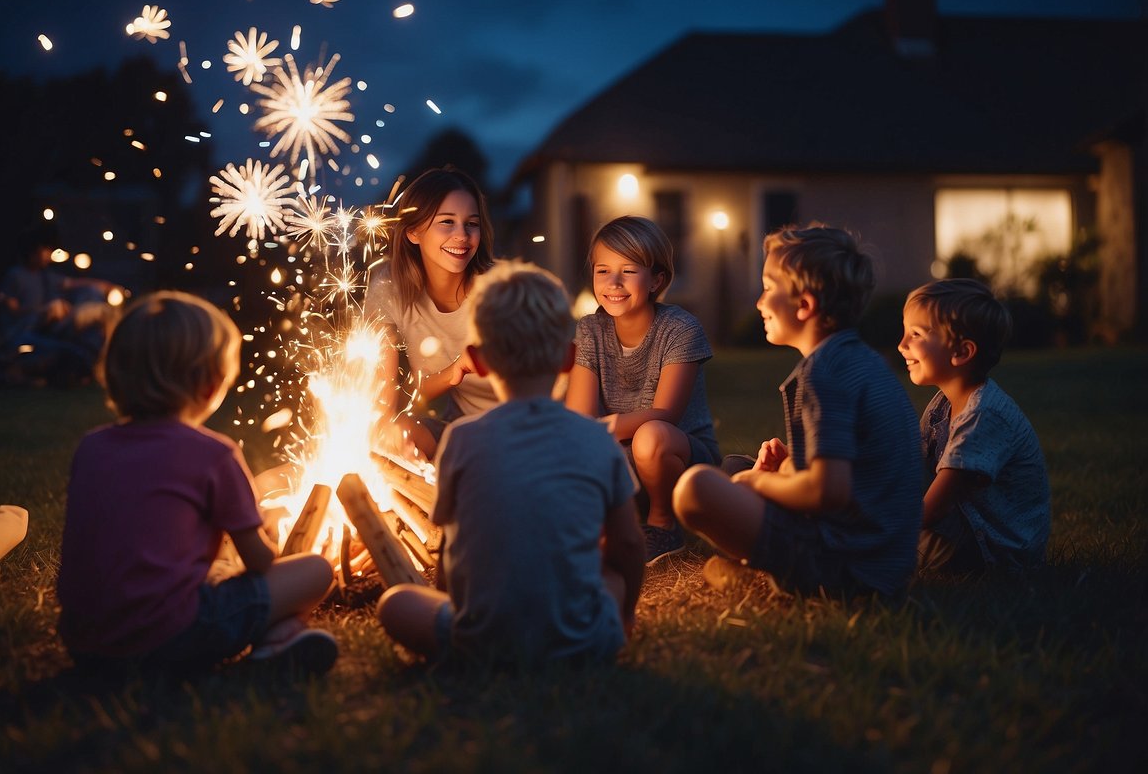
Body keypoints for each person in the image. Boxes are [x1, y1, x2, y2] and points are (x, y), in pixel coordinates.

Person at [377, 261, 645, 668]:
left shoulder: (461, 439)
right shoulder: (597, 439)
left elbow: (451, 542)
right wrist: (624, 615)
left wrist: (451, 604)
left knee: (397, 605)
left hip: (483, 641)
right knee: (608, 576)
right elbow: (627, 542)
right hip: (582, 639)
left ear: (479, 361)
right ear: (568, 358)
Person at [57, 291, 338, 679]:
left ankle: (278, 639)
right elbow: (260, 562)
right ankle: (275, 641)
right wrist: (268, 528)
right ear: (211, 386)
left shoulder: (91, 447)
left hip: (86, 645)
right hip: (171, 637)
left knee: (219, 570)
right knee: (315, 571)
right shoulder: (214, 454)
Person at [673, 225, 922, 599]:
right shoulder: (860, 361)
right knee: (735, 468)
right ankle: (760, 562)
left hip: (850, 566)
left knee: (695, 489)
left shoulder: (825, 374)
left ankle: (769, 575)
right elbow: (850, 475)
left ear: (804, 305)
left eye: (769, 288)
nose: (759, 302)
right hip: (883, 558)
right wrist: (788, 468)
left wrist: (758, 484)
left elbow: (827, 492)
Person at [565, 216, 720, 565]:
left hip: (679, 460)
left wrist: (598, 430)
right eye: (603, 270)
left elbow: (665, 415)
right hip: (616, 458)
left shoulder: (679, 329)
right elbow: (578, 417)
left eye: (629, 271)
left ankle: (663, 525)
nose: (613, 283)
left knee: (650, 436)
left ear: (657, 279)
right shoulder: (590, 329)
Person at [898, 278, 1050, 575]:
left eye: (914, 334)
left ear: (962, 352)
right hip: (962, 530)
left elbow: (934, 508)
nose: (901, 345)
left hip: (995, 551)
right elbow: (906, 471)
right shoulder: (942, 405)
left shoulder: (983, 415)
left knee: (870, 547)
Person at [364, 166, 497, 460]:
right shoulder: (389, 286)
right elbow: (389, 401)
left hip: (523, 434)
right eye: (447, 222)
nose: (462, 235)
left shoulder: (500, 292)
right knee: (393, 434)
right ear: (413, 231)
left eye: (471, 224)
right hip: (461, 433)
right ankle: (435, 495)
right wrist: (453, 373)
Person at [0, 223, 121, 387]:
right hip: (23, 333)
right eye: (45, 250)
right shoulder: (15, 276)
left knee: (95, 305)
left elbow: (74, 283)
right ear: (31, 251)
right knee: (72, 350)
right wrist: (44, 310)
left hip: (46, 331)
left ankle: (97, 362)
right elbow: (13, 311)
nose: (48, 255)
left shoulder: (46, 276)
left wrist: (106, 286)